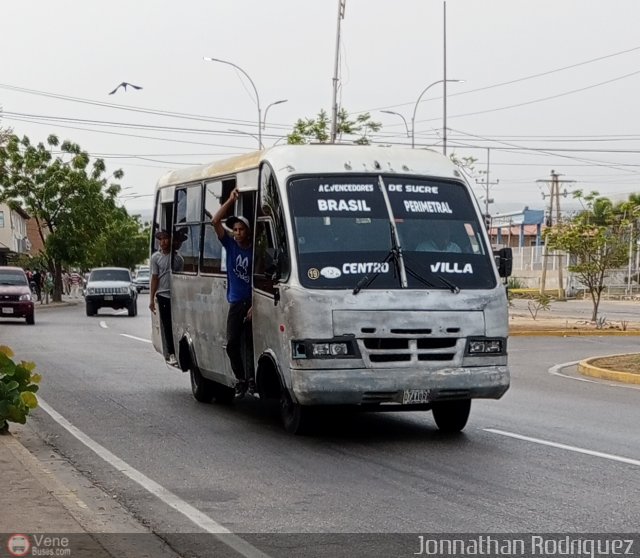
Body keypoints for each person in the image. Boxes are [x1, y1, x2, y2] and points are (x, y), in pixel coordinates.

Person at [211, 189, 253, 397]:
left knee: (253, 344)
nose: (237, 233)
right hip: (236, 303)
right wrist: (230, 200)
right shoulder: (230, 245)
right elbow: (215, 221)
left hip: (253, 303)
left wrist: (256, 305)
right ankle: (241, 379)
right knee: (232, 343)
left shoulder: (255, 251)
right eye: (235, 229)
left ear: (248, 232)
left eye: (241, 230)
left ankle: (253, 379)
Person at [149, 230, 179, 365]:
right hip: (163, 295)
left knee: (178, 324)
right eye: (160, 240)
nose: (163, 242)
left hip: (177, 296)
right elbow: (154, 278)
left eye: (166, 239)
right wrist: (151, 299)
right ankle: (171, 353)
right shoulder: (156, 258)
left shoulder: (178, 259)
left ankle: (177, 350)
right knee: (167, 325)